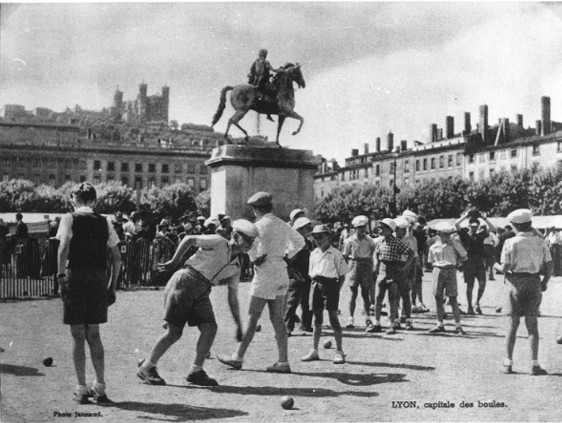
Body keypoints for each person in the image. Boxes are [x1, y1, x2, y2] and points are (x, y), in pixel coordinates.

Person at [137, 219, 259, 386]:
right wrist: (174, 261)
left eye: (252, 241)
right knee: (174, 332)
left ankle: (196, 371)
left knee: (210, 328)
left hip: (203, 290)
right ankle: (146, 367)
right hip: (186, 281)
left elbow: (232, 297)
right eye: (247, 239)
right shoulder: (218, 242)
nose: (250, 244)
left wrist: (238, 324)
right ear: (235, 235)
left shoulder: (237, 266)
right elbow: (190, 239)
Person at [218, 192, 304, 373]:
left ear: (257, 209)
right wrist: (287, 255)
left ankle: (238, 357)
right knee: (278, 319)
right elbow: (300, 241)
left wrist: (254, 258)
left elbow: (249, 245)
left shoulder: (257, 226)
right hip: (280, 271)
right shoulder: (283, 224)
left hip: (264, 273)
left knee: (252, 317)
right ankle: (283, 361)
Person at [56, 183, 121, 404]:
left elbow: (63, 247)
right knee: (94, 333)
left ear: (75, 199)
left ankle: (81, 389)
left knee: (77, 334)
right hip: (98, 278)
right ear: (94, 201)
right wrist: (112, 286)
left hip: (76, 275)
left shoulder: (69, 218)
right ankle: (100, 387)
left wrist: (60, 276)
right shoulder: (105, 221)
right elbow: (117, 257)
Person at [494, 209, 553, 376]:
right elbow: (549, 266)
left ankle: (508, 363)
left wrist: (495, 266)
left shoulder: (511, 243)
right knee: (532, 325)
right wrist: (544, 282)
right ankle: (534, 364)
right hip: (534, 281)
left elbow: (504, 267)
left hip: (515, 282)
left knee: (512, 324)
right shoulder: (541, 242)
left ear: (515, 226)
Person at [301, 225, 349, 364]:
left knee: (333, 318)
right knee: (317, 319)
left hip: (331, 286)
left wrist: (335, 291)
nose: (318, 240)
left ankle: (339, 351)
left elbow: (342, 275)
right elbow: (312, 273)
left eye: (321, 237)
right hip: (316, 285)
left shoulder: (336, 254)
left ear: (329, 237)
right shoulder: (313, 253)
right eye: (315, 237)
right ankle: (314, 350)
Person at [369, 218, 413, 334]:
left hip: (394, 271)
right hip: (382, 271)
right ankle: (377, 323)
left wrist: (404, 266)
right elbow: (376, 253)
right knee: (378, 297)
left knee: (392, 299)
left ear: (390, 230)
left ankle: (391, 323)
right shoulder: (380, 242)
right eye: (379, 227)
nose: (379, 229)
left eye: (382, 227)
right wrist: (375, 263)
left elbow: (410, 253)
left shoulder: (397, 242)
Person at [427, 222, 468, 335]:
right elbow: (431, 261)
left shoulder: (454, 244)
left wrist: (456, 263)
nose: (446, 236)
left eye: (448, 234)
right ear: (438, 233)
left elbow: (464, 255)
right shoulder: (433, 247)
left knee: (453, 299)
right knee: (438, 298)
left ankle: (458, 326)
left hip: (450, 270)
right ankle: (440, 324)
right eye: (444, 234)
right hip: (438, 270)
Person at [454, 210, 496, 315]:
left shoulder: (481, 235)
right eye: (472, 226)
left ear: (478, 226)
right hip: (469, 262)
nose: (474, 228)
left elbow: (493, 229)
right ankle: (469, 307)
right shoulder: (464, 234)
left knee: (482, 284)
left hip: (480, 262)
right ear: (469, 226)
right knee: (470, 286)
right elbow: (456, 224)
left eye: (476, 226)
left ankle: (477, 303)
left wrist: (484, 218)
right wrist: (465, 215)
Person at [343, 215, 376, 331]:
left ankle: (367, 317)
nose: (362, 229)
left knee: (365, 293)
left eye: (364, 227)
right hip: (354, 264)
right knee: (353, 293)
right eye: (360, 227)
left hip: (366, 265)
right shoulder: (350, 240)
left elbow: (373, 254)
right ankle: (350, 318)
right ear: (355, 228)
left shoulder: (370, 241)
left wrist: (372, 267)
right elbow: (345, 255)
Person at [284, 217, 314, 335]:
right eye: (307, 228)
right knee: (292, 301)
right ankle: (287, 326)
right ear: (299, 229)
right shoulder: (294, 242)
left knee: (307, 301)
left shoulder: (308, 242)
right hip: (296, 275)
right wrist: (294, 273)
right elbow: (289, 259)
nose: (309, 230)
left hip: (307, 274)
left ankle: (305, 325)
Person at [394, 216, 417, 330]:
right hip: (394, 270)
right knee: (394, 295)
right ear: (396, 229)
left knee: (406, 295)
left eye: (405, 229)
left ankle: (408, 320)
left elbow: (413, 257)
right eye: (401, 229)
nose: (403, 232)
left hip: (405, 269)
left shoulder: (410, 240)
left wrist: (412, 273)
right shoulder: (390, 239)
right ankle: (395, 319)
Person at [248, 48, 276, 122]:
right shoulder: (266, 62)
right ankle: (268, 114)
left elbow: (251, 70)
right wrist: (280, 70)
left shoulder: (256, 61)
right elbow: (272, 69)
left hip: (254, 81)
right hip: (263, 82)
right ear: (265, 55)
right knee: (272, 94)